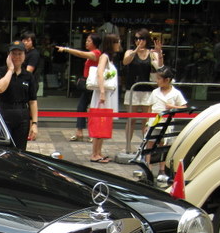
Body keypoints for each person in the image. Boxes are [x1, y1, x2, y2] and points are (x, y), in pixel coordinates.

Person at [0, 40, 39, 150]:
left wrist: (34, 123)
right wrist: (10, 70)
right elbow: (0, 88)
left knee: (20, 151)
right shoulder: (0, 72)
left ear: (24, 56)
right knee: (3, 150)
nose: (17, 57)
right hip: (4, 113)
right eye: (13, 54)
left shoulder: (28, 76)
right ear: (8, 55)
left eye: (20, 54)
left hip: (22, 116)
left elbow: (33, 101)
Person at [122, 28, 163, 147]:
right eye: (136, 39)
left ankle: (144, 147)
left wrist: (159, 53)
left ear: (146, 40)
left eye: (141, 38)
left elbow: (161, 68)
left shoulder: (152, 53)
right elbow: (125, 62)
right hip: (133, 89)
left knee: (146, 120)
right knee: (131, 119)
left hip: (147, 90)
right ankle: (128, 146)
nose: (138, 41)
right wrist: (136, 50)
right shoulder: (130, 52)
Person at [56, 33, 101, 141]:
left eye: (89, 41)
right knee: (81, 107)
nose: (86, 42)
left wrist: (66, 49)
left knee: (92, 109)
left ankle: (92, 133)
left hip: (93, 85)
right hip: (88, 85)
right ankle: (79, 132)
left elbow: (80, 54)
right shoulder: (92, 54)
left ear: (95, 43)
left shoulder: (96, 53)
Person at [145, 67, 187, 174]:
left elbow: (184, 107)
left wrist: (173, 107)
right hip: (154, 121)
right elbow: (149, 108)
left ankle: (162, 169)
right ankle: (148, 168)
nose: (157, 81)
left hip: (167, 122)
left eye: (159, 79)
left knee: (163, 146)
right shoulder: (155, 92)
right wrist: (147, 123)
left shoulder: (176, 93)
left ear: (167, 80)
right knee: (150, 144)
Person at [89, 33, 121, 163]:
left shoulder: (109, 58)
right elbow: (99, 73)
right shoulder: (104, 57)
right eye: (117, 42)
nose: (119, 45)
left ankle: (98, 152)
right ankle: (94, 153)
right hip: (103, 95)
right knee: (99, 123)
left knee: (104, 123)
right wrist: (102, 92)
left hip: (107, 95)